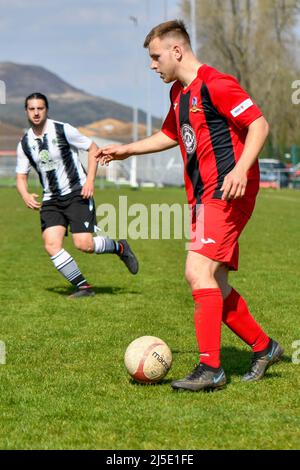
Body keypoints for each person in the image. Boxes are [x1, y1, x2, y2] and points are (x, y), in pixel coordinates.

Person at [95, 20, 284, 390]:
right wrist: (126, 150)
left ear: (176, 51)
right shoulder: (180, 94)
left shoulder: (216, 83)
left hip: (227, 191)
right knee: (216, 283)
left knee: (196, 271)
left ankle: (211, 368)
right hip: (202, 198)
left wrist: (241, 170)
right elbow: (169, 134)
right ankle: (265, 347)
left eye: (155, 57)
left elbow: (259, 124)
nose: (152, 65)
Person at [16, 92, 138, 299]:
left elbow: (93, 149)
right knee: (51, 245)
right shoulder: (25, 143)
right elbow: (21, 176)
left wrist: (90, 180)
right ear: (26, 111)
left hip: (76, 193)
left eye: (40, 108)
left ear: (46, 110)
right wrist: (25, 194)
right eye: (32, 109)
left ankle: (120, 247)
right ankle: (84, 287)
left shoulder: (63, 130)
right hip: (51, 199)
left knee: (84, 244)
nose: (36, 113)